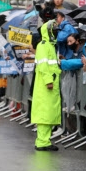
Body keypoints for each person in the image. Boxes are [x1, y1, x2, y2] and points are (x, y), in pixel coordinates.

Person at [31, 20, 61, 150]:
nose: (55, 33)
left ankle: (45, 140)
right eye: (53, 31)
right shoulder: (43, 45)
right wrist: (49, 80)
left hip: (51, 84)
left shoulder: (49, 45)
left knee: (49, 113)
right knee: (44, 114)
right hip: (46, 85)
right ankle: (42, 142)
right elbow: (43, 66)